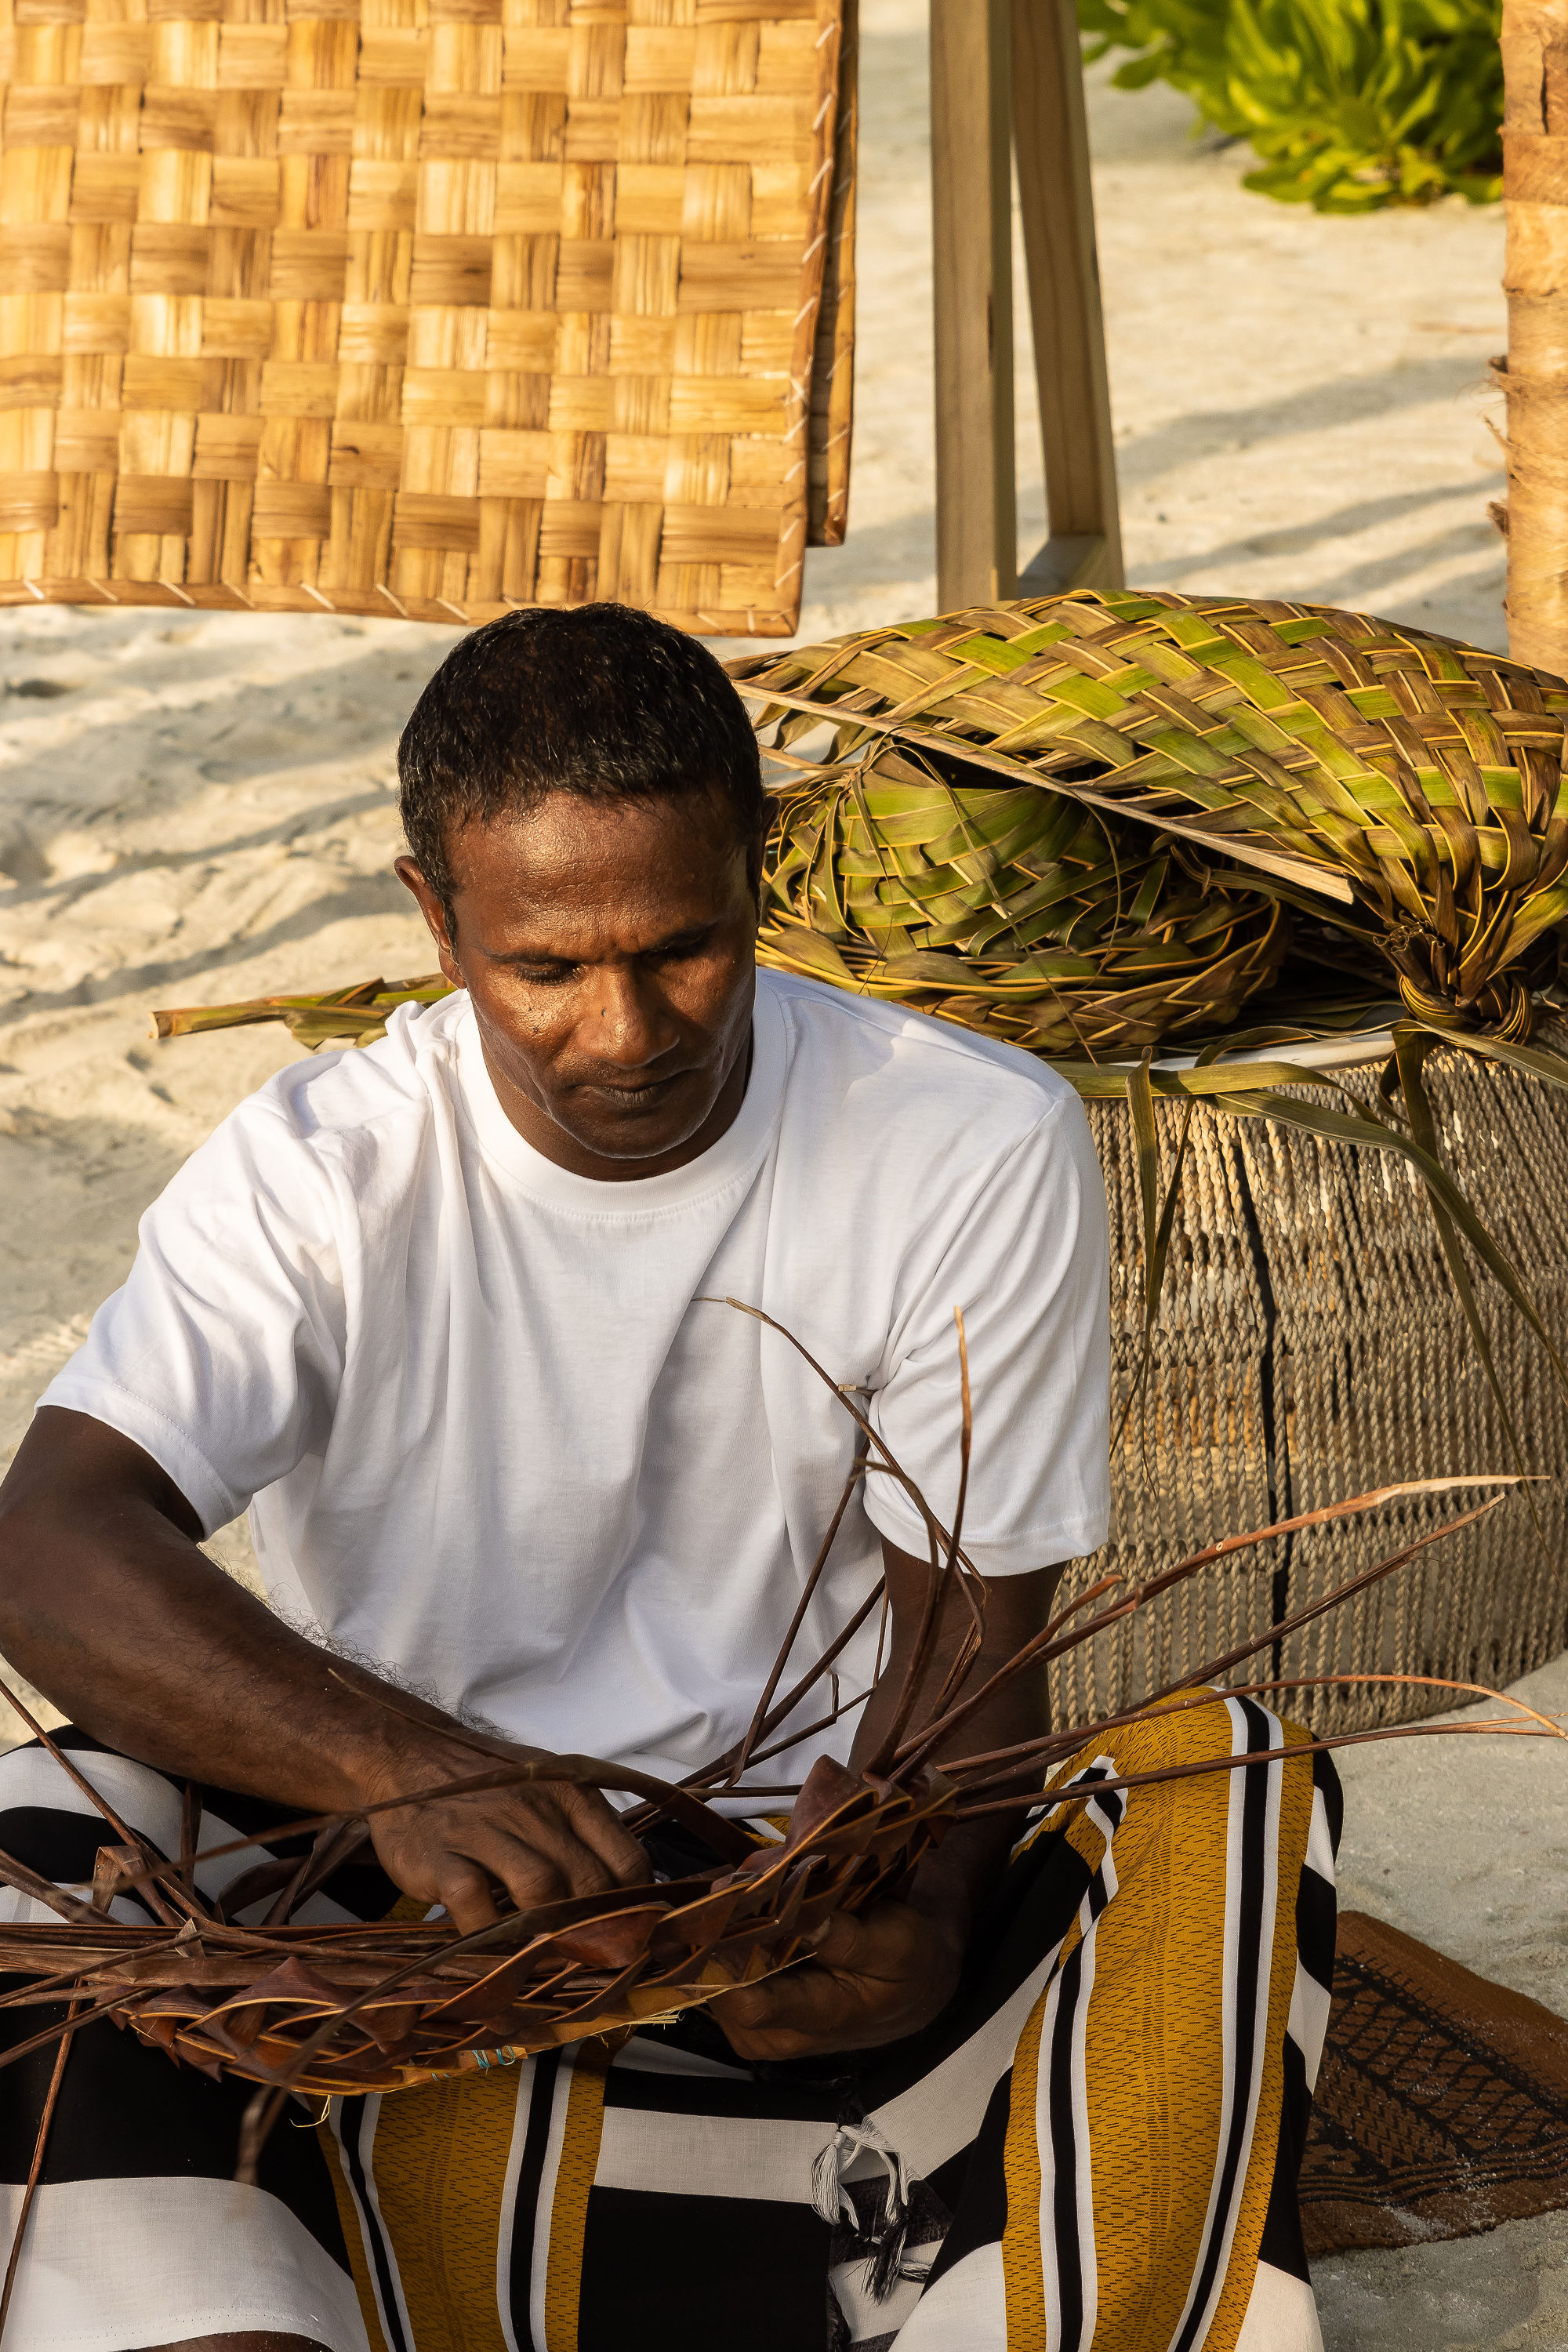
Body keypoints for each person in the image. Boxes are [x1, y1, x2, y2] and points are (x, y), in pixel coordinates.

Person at [0, 605, 1336, 2352]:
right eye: (544, 968)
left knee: (1229, 1783)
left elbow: (978, 1638)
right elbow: (48, 1543)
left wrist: (915, 1902)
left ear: (756, 871)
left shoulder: (969, 1138)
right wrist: (406, 1770)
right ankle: (239, 2319)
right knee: (39, 1845)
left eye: (683, 950)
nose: (625, 1032)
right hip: (420, 1916)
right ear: (436, 915)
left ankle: (958, 2280)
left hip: (796, 1888)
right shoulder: (322, 1174)